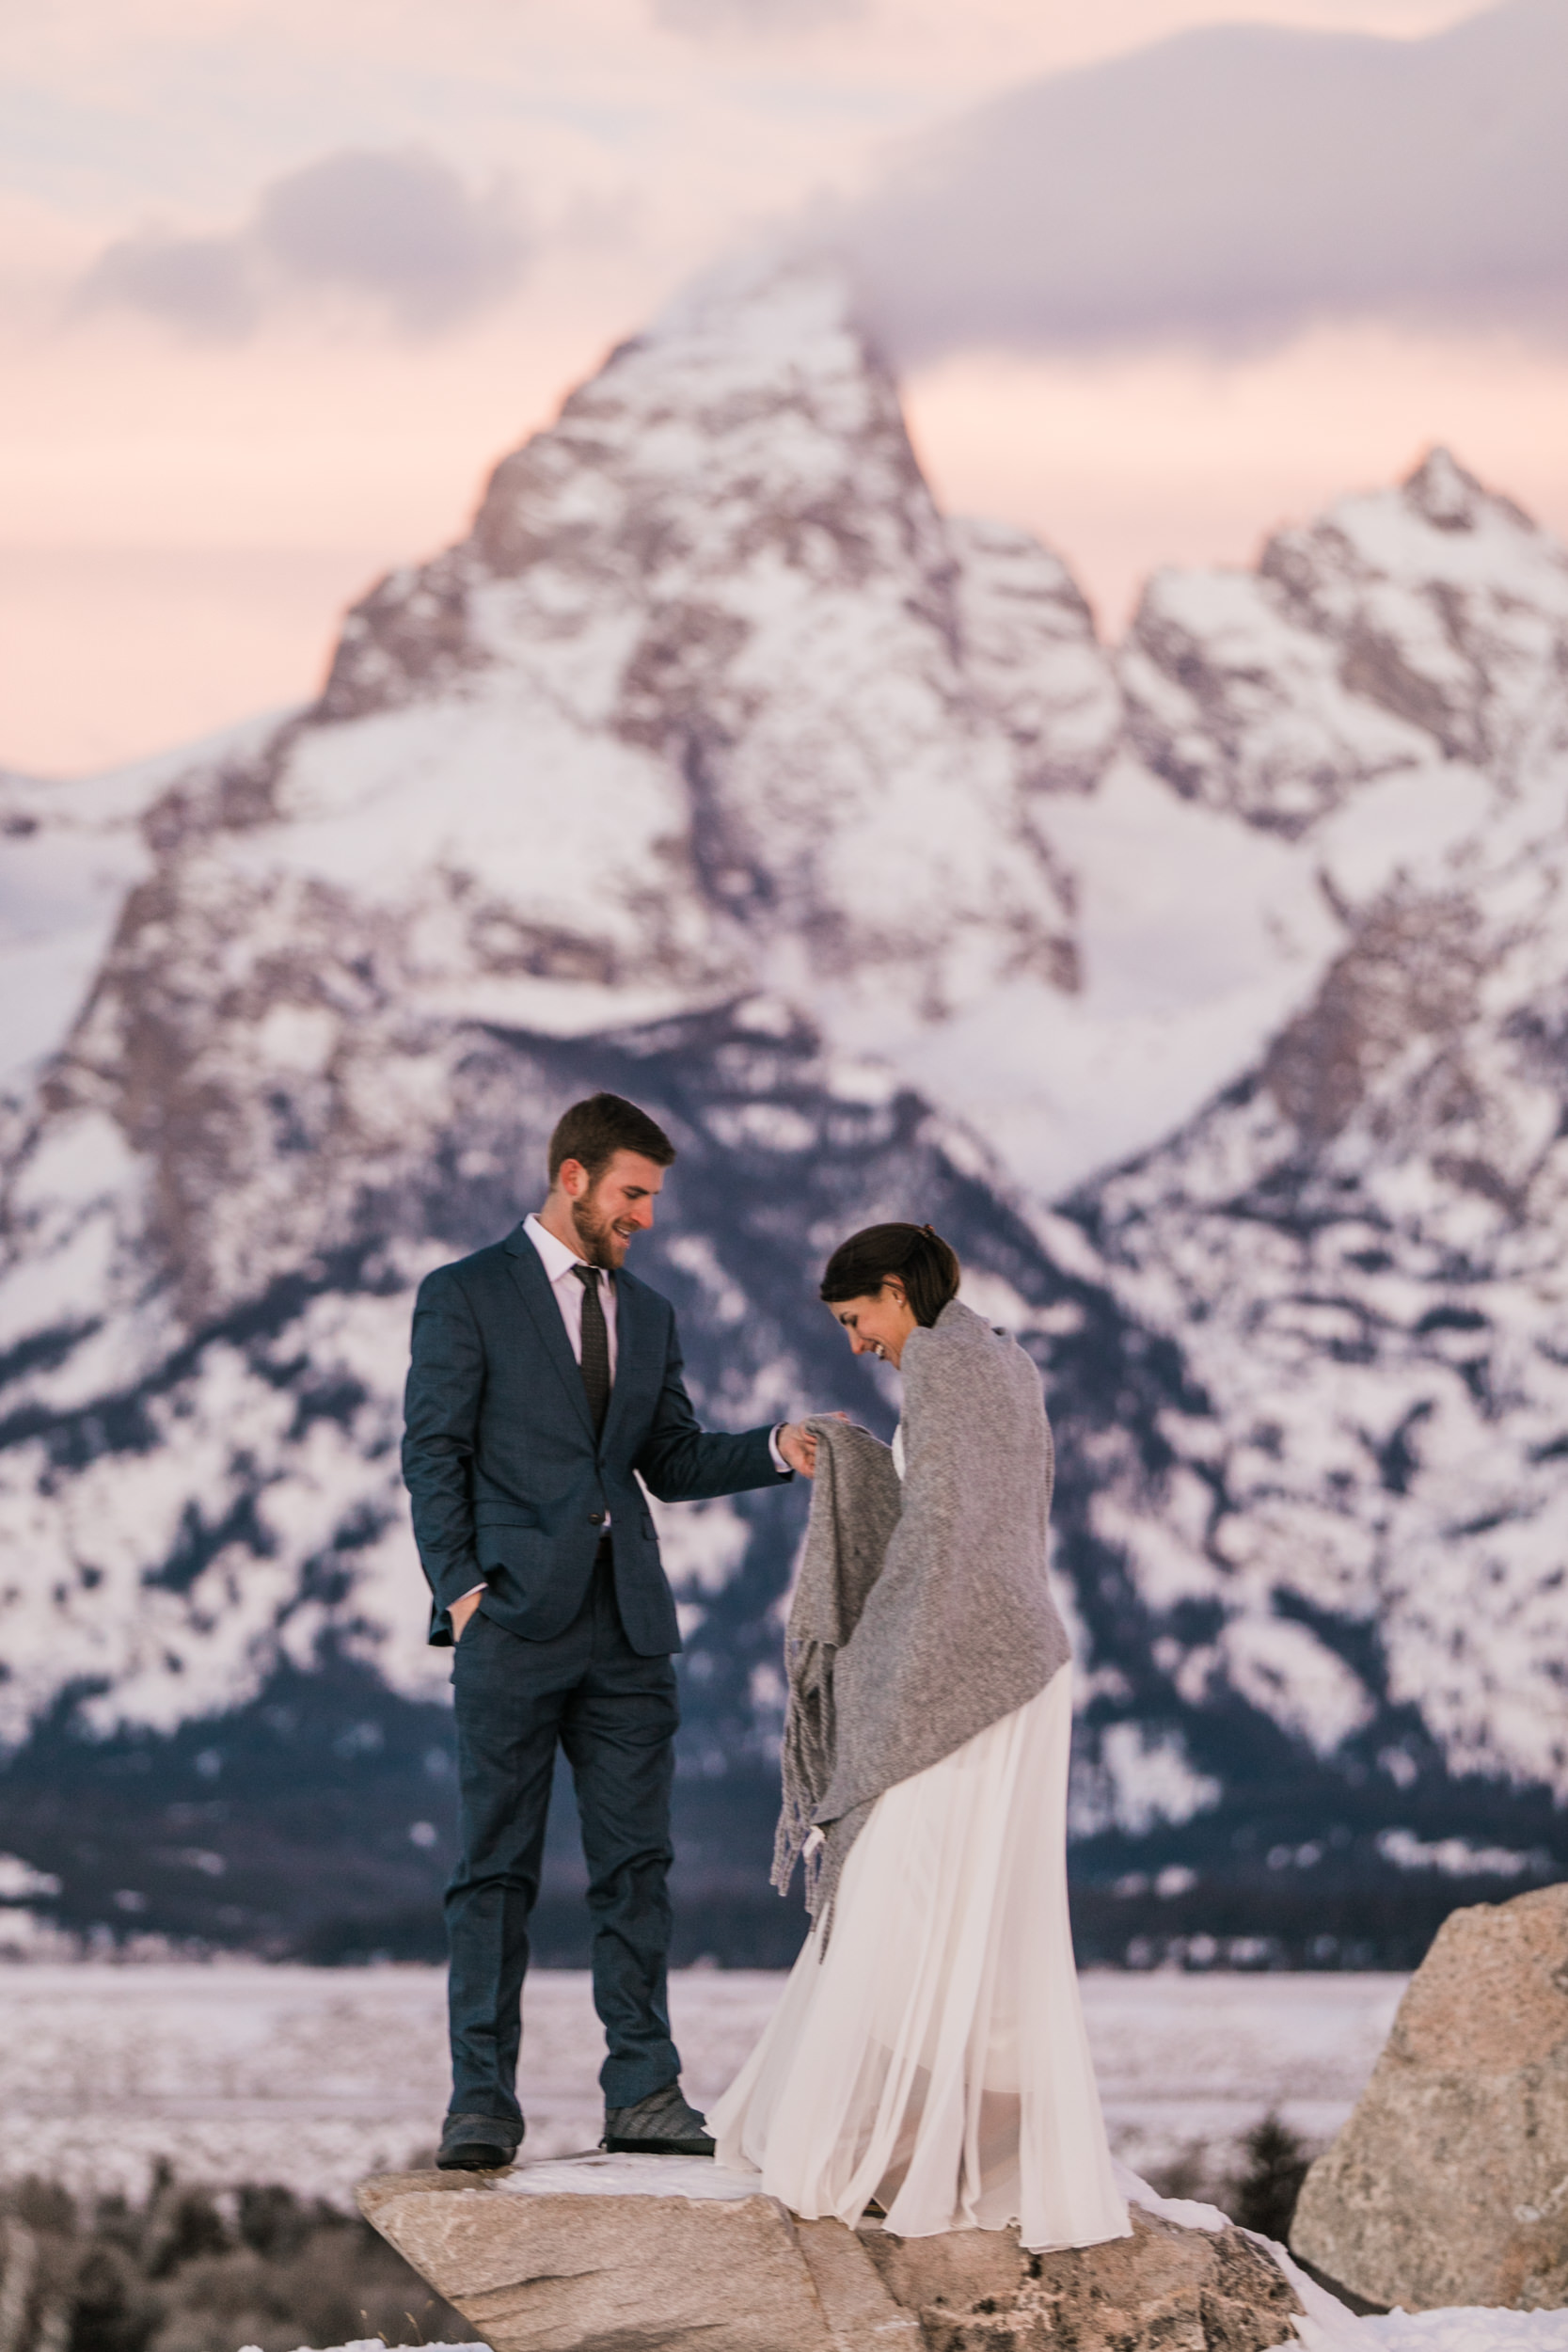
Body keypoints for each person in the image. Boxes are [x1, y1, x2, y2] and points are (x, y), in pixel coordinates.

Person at [402, 1090, 817, 2173]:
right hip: (509, 1622)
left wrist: (774, 1445)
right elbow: (432, 1449)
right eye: (632, 1194)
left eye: (652, 1200)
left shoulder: (654, 1314)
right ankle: (480, 2102)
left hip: (629, 1631)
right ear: (573, 1176)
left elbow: (667, 1463)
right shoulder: (462, 1294)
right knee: (493, 1872)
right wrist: (457, 1588)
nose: (644, 1217)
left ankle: (642, 2090)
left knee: (636, 1868)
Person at [711, 1222, 1130, 2254]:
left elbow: (942, 1535)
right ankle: (949, 2148)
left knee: (898, 1895)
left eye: (856, 1320)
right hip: (1015, 1667)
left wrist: (874, 1671)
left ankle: (884, 2150)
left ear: (895, 1292)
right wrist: (854, 1454)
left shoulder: (941, 1368)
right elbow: (966, 1517)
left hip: (965, 1675)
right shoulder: (1000, 1359)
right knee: (972, 1916)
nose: (855, 1343)